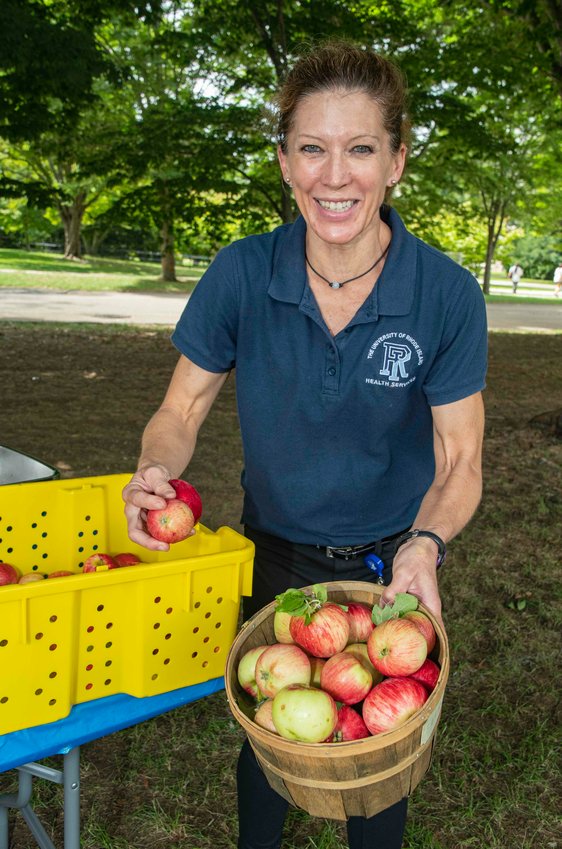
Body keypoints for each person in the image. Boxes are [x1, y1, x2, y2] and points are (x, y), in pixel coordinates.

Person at [122, 41, 487, 849]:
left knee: (375, 758)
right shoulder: (243, 273)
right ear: (285, 162)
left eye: (360, 149)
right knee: (271, 741)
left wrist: (425, 547)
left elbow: (461, 461)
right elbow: (181, 407)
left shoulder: (446, 294)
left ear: (396, 160)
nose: (334, 176)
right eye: (312, 149)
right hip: (277, 553)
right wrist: (155, 470)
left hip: (393, 561)